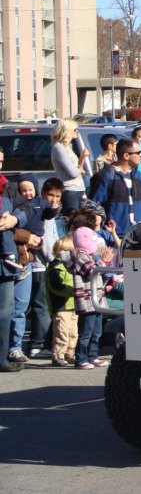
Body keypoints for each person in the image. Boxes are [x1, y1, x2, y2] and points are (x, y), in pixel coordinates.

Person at [8, 175, 62, 363]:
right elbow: (13, 226)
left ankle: (16, 346)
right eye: (24, 190)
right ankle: (34, 345)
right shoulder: (18, 207)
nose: (27, 193)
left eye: (30, 189)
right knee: (28, 306)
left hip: (30, 262)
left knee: (21, 307)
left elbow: (50, 214)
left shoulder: (40, 205)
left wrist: (55, 208)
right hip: (27, 261)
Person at [0, 149, 28, 372]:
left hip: (5, 262)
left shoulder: (8, 187)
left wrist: (14, 219)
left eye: (1, 162)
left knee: (5, 310)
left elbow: (27, 208)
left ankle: (2, 358)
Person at [91, 137, 141, 238]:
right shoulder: (105, 176)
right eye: (138, 152)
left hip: (140, 235)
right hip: (115, 236)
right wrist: (108, 232)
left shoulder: (139, 176)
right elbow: (94, 206)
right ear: (126, 155)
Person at [72, 226, 111, 369]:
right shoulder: (81, 256)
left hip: (97, 299)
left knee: (97, 332)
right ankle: (81, 358)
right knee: (86, 332)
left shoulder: (91, 256)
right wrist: (103, 261)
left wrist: (101, 259)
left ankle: (93, 356)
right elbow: (92, 272)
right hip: (87, 300)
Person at [46, 236, 77, 367]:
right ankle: (58, 355)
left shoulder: (70, 266)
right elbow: (56, 286)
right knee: (62, 332)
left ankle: (70, 353)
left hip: (73, 305)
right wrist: (72, 291)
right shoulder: (56, 266)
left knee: (73, 332)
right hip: (61, 305)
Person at [51, 118, 89, 215]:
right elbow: (73, 172)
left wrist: (82, 157)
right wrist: (80, 170)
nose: (76, 132)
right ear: (67, 131)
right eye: (74, 129)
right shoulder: (58, 148)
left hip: (79, 189)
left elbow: (77, 168)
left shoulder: (67, 147)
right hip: (70, 191)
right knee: (73, 222)